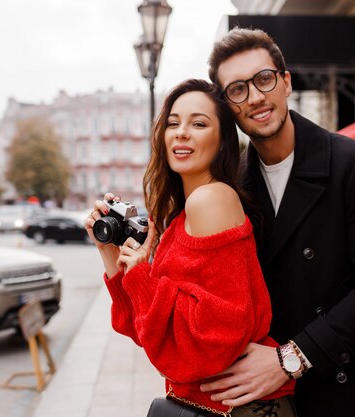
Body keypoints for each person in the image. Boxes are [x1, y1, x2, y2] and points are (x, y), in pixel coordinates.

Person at [199, 28, 355, 417]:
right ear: (227, 106)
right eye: (237, 90)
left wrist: (289, 360)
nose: (255, 98)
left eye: (263, 79)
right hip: (276, 406)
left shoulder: (352, 162)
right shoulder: (230, 190)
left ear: (286, 82)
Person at [84, 79, 296, 417]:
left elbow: (218, 337)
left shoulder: (211, 199)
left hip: (237, 410)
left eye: (198, 123)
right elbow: (147, 331)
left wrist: (142, 273)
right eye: (173, 123)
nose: (181, 133)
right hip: (208, 406)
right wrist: (109, 251)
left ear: (222, 140)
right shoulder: (183, 214)